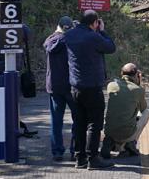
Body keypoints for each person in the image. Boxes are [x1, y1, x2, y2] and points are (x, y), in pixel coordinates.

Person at [63, 10, 116, 169]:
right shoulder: (94, 36)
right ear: (94, 23)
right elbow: (110, 47)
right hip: (92, 87)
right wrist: (102, 31)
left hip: (75, 87)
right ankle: (93, 158)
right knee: (95, 123)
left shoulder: (69, 35)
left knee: (79, 122)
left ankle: (80, 158)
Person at [44, 16, 77, 162]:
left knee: (56, 121)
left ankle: (57, 151)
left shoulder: (50, 40)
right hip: (71, 86)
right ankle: (75, 149)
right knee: (78, 119)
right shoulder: (73, 40)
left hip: (54, 86)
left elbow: (49, 46)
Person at [100, 64, 149, 160]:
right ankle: (131, 143)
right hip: (126, 134)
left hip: (109, 131)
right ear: (137, 75)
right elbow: (143, 109)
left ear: (121, 73)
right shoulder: (138, 90)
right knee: (146, 113)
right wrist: (139, 83)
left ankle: (114, 144)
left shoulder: (111, 85)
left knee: (120, 113)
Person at [0, 1, 30, 88]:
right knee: (10, 99)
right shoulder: (11, 27)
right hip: (8, 71)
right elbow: (27, 33)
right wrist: (16, 19)